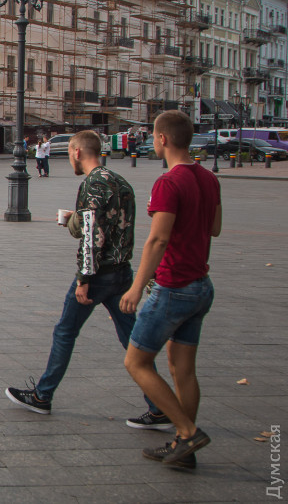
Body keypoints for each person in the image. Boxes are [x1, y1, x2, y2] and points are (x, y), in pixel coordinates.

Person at [6, 130, 164, 426]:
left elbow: (91, 235)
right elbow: (119, 227)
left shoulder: (92, 184)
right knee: (132, 339)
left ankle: (43, 395)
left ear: (77, 152)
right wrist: (77, 219)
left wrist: (83, 278)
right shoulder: (121, 182)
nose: (70, 160)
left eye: (69, 154)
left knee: (65, 331)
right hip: (122, 272)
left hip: (99, 274)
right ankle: (159, 404)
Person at [121, 110, 221, 469]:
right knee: (183, 370)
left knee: (136, 361)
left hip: (173, 286)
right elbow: (216, 229)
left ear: (162, 139)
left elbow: (158, 239)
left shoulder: (168, 182)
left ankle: (187, 431)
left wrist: (135, 287)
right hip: (200, 286)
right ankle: (183, 447)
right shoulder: (209, 179)